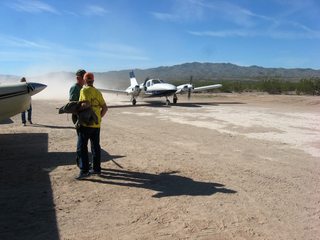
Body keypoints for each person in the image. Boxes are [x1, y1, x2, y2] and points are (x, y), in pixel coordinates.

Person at [77, 72, 108, 179]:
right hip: (96, 125)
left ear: (85, 80)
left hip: (86, 124)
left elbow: (85, 104)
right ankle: (96, 169)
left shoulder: (84, 90)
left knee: (82, 147)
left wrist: (76, 108)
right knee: (95, 147)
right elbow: (105, 108)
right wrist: (98, 118)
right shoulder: (98, 92)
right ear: (93, 80)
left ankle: (84, 170)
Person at [69, 69, 86, 168]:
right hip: (78, 116)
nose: (84, 80)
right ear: (78, 78)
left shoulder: (82, 88)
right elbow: (72, 104)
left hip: (83, 116)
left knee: (83, 141)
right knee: (81, 141)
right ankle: (80, 163)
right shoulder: (75, 88)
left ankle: (82, 161)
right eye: (83, 78)